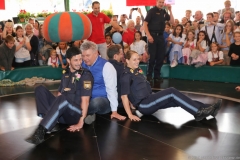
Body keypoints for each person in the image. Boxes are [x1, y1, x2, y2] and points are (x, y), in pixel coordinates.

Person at [120, 50, 222, 121]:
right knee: (172, 92)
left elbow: (134, 90)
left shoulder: (137, 70)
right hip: (145, 105)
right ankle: (198, 112)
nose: (137, 61)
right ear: (127, 61)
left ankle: (209, 109)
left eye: (138, 59)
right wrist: (130, 114)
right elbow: (124, 96)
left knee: (176, 99)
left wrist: (132, 104)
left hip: (150, 97)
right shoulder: (126, 75)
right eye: (134, 59)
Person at [25, 46, 94, 145]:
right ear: (69, 61)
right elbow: (60, 93)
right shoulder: (65, 73)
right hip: (63, 112)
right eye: (76, 60)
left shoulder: (85, 75)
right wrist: (53, 112)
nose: (79, 62)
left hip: (75, 113)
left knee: (63, 99)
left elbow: (86, 100)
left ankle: (40, 131)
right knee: (39, 88)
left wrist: (81, 121)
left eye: (80, 59)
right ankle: (50, 121)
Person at [81, 41, 126, 123]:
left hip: (103, 101)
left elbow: (111, 89)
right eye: (83, 56)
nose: (85, 58)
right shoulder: (81, 64)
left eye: (88, 55)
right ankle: (88, 114)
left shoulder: (107, 66)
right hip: (85, 98)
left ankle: (81, 114)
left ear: (96, 54)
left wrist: (114, 111)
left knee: (96, 103)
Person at [143, 0, 174, 81]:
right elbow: (145, 24)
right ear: (156, 2)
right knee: (152, 57)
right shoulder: (151, 11)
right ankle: (149, 75)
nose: (161, 4)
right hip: (152, 36)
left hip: (161, 36)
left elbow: (172, 22)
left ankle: (157, 75)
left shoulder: (164, 11)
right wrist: (149, 36)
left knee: (160, 57)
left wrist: (170, 10)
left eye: (162, 2)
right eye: (159, 2)